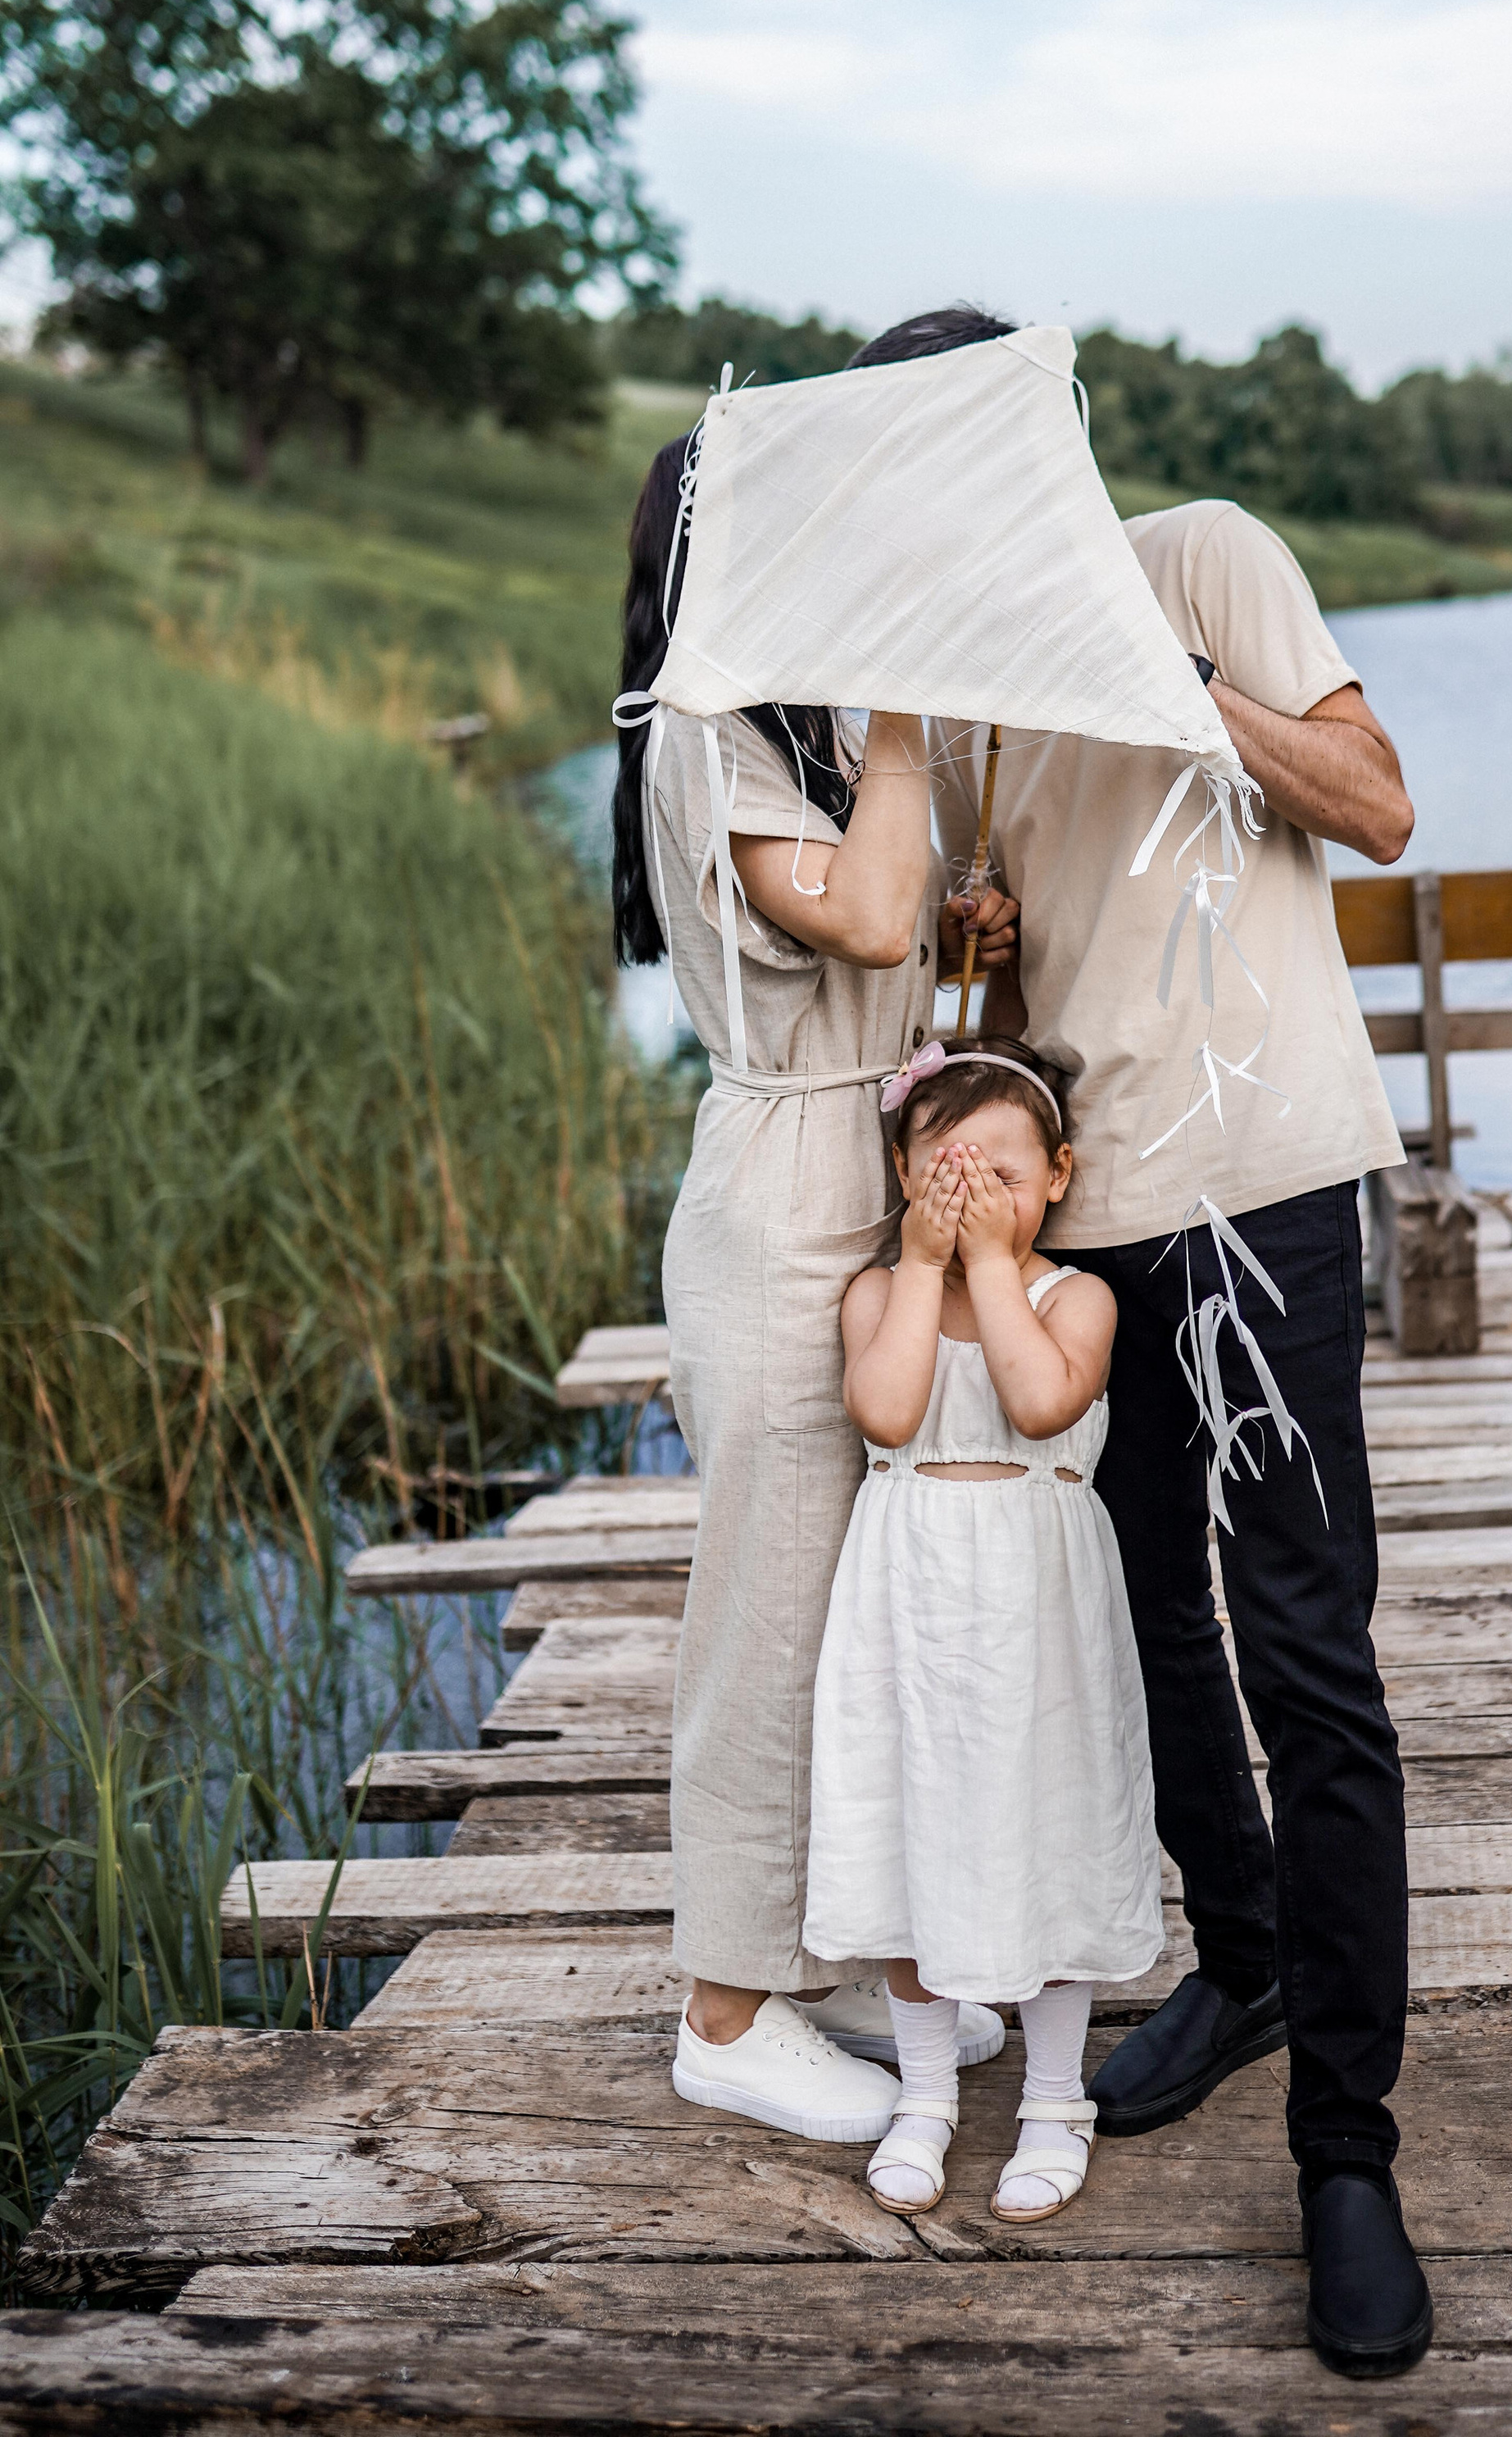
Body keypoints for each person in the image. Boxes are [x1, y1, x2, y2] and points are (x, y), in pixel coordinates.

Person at [850, 310, 1431, 2379]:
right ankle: (1247, 1951)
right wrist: (971, 937)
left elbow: (1371, 802)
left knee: (1303, 1644)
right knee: (1151, 1626)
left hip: (1262, 1182)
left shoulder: (1200, 557)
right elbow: (993, 944)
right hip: (1093, 1224)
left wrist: (1178, 692)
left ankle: (1344, 2155)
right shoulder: (975, 697)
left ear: (1042, 440)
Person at [611, 415, 1019, 2139]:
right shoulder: (706, 726)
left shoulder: (803, 727)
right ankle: (721, 2008)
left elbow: (881, 924)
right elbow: (851, 923)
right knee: (767, 1621)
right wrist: (914, 708)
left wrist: (955, 931)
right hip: (781, 1205)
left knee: (857, 1610)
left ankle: (818, 1948)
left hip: (862, 1167)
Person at [803, 1035, 1161, 2220]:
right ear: (906, 1184)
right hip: (908, 1602)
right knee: (911, 1838)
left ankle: (1056, 2096)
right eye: (944, 1177)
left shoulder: (1080, 1298)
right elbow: (890, 1416)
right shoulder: (877, 1294)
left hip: (1037, 1606)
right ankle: (924, 2095)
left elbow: (1041, 1398)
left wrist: (995, 1265)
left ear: (1057, 1176)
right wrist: (921, 1267)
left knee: (1045, 1833)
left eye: (1001, 1177)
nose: (973, 1202)